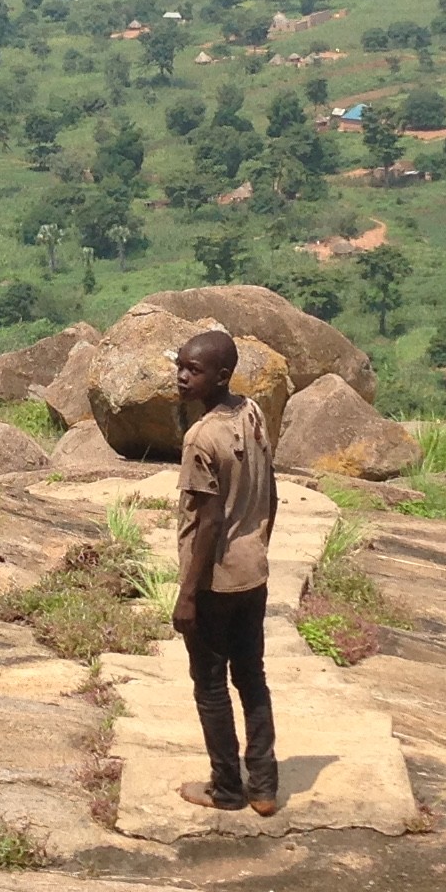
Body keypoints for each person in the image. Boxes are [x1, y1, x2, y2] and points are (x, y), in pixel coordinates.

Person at [168, 329, 280, 817]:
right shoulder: (252, 412)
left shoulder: (201, 437)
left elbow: (209, 522)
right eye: (179, 366)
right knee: (251, 676)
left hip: (216, 581)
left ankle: (227, 788)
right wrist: (260, 542)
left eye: (193, 370)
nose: (181, 377)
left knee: (211, 685)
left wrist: (188, 595)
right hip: (253, 573)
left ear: (221, 376)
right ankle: (264, 787)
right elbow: (270, 488)